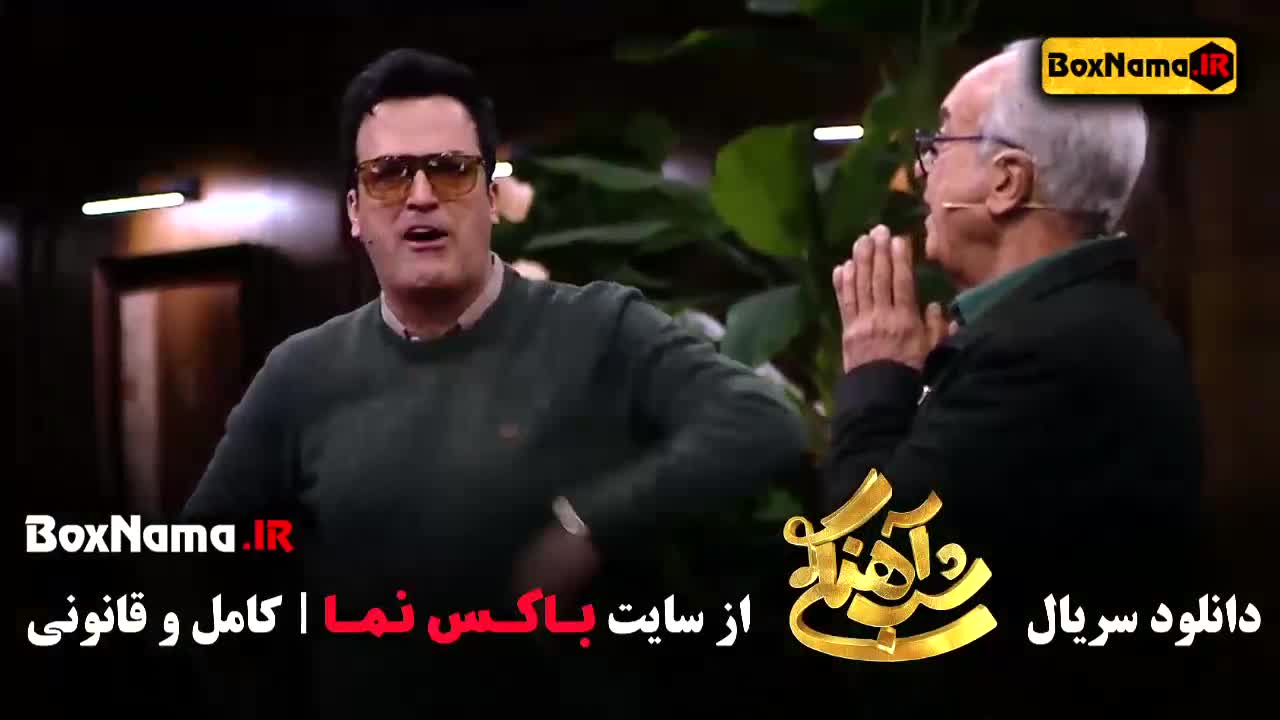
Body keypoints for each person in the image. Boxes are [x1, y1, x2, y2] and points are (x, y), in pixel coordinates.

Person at [177, 47, 810, 715]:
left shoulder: (600, 327)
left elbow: (762, 420)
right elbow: (204, 555)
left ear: (492, 197)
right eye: (389, 174)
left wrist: (589, 522)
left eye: (451, 169)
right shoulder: (302, 372)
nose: (421, 195)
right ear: (356, 211)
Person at [821, 39, 1205, 714]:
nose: (918, 175)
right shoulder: (1082, 323)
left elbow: (869, 569)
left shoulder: (1049, 350)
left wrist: (876, 376)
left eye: (939, 143)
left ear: (1006, 182)